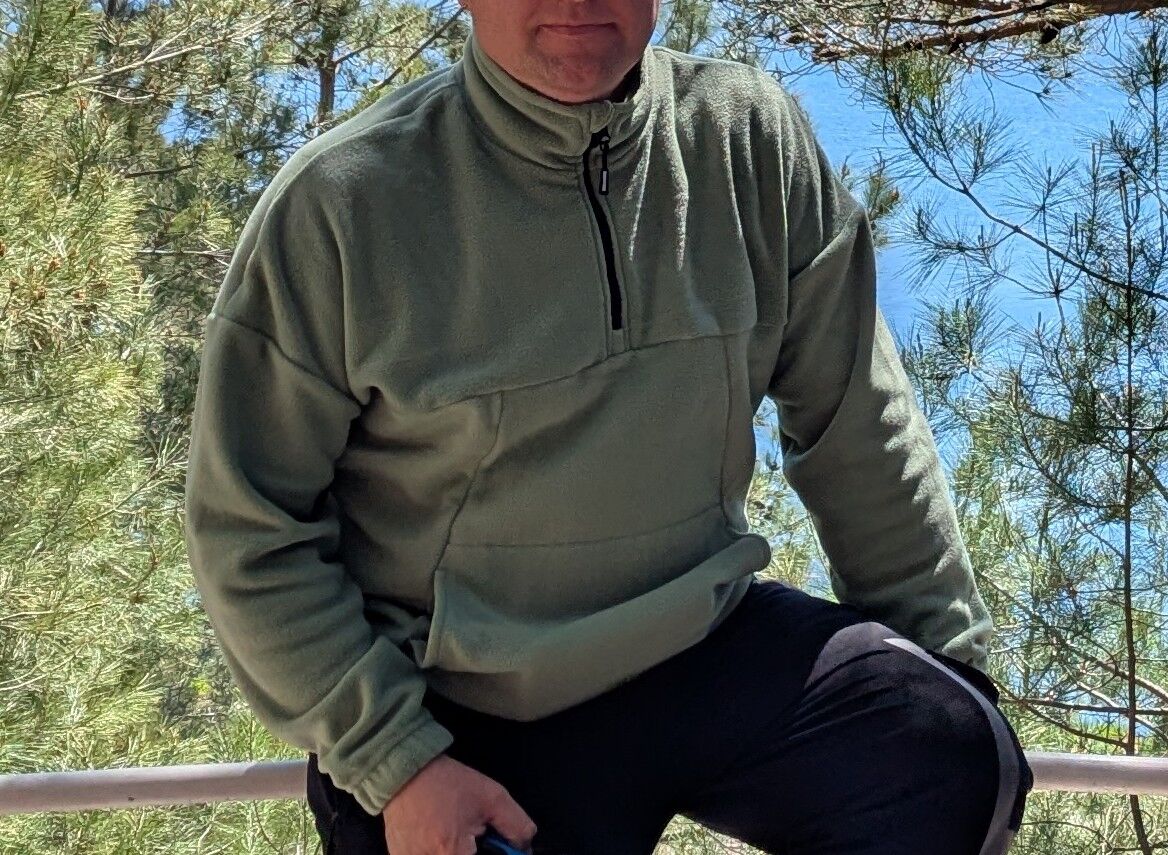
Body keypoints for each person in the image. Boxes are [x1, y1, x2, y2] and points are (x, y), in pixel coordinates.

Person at [184, 1, 1034, 852]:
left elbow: (859, 428)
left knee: (951, 755)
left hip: (700, 634)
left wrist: (950, 665)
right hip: (455, 704)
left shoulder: (746, 137)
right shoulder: (343, 203)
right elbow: (248, 527)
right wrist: (394, 759)